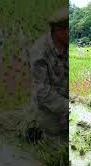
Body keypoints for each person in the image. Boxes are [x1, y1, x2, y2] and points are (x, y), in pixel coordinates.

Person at [27, 8, 68, 138]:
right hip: (47, 107)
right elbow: (42, 90)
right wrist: (67, 106)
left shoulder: (67, 46)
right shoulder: (39, 51)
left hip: (64, 101)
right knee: (53, 137)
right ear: (59, 31)